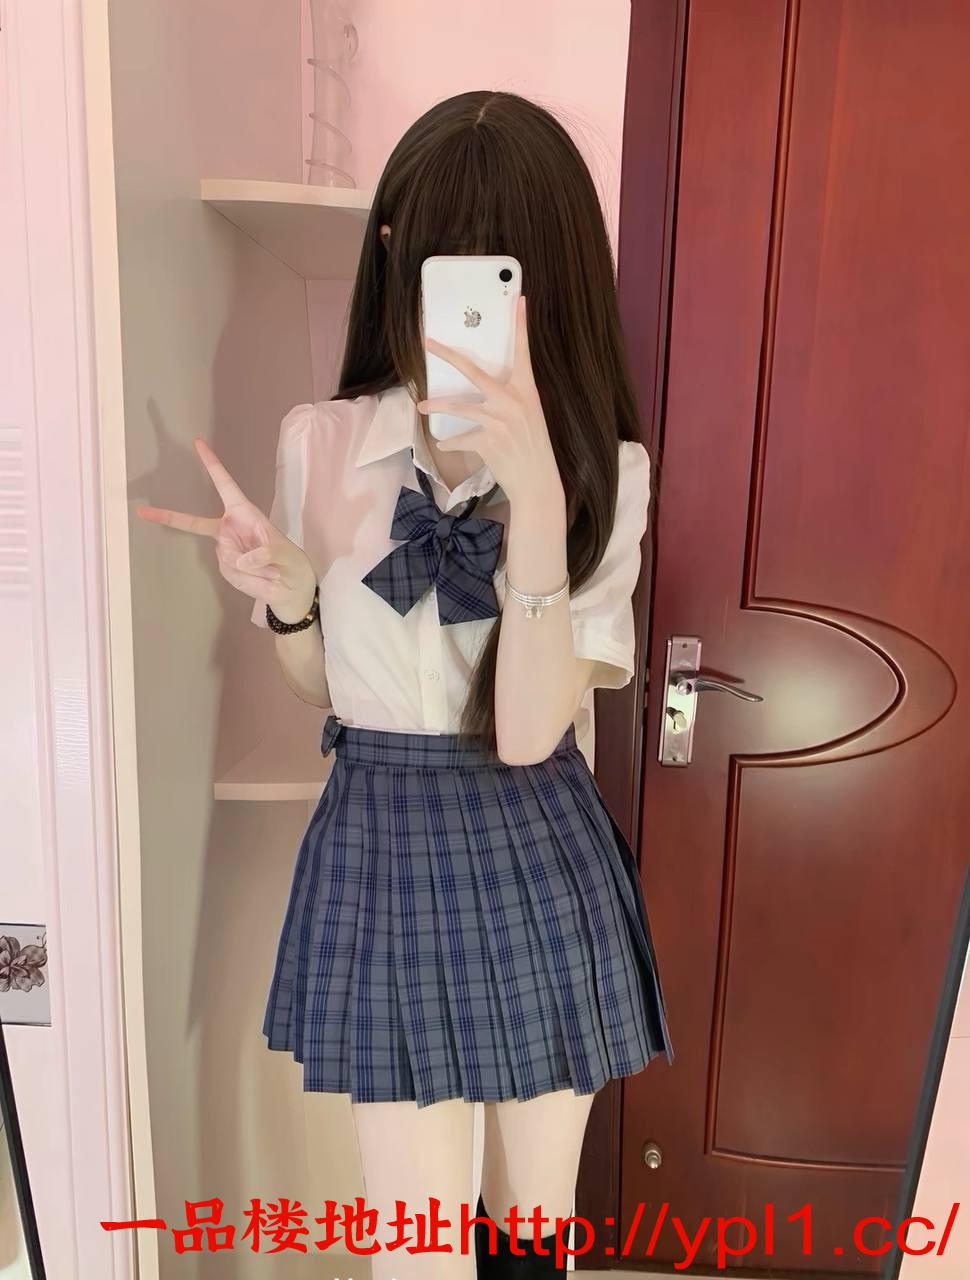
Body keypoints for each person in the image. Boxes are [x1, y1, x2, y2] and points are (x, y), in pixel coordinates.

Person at [139, 89, 673, 1280]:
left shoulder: (607, 471)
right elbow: (319, 687)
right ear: (395, 253)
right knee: (415, 1244)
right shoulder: (319, 443)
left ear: (551, 282)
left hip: (534, 843)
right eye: (434, 256)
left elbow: (529, 733)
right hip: (379, 837)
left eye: (498, 267)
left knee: (533, 1226)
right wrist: (292, 594)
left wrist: (538, 499)